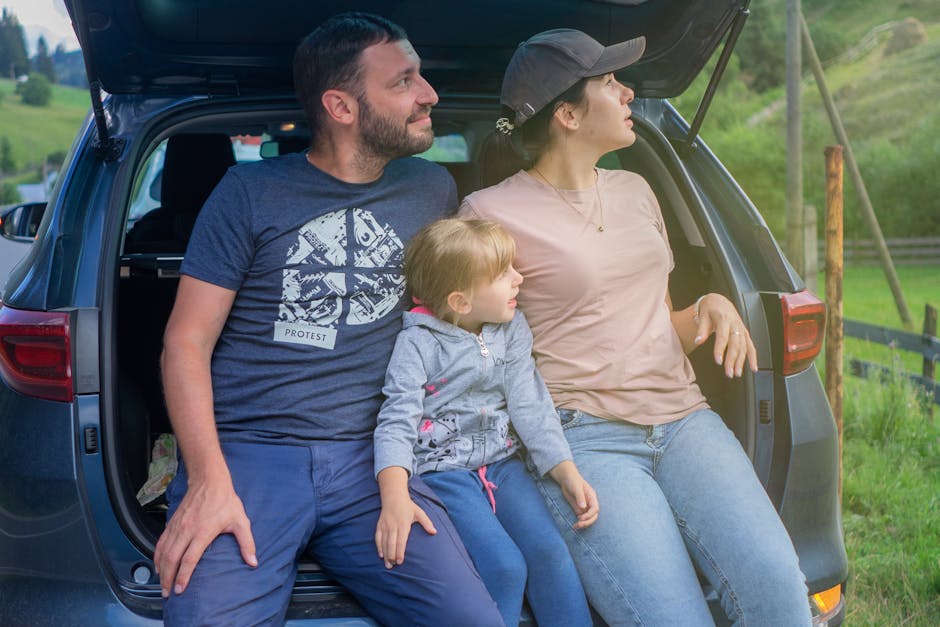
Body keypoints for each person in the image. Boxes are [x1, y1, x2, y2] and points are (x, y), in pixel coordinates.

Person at [154, 12, 503, 626]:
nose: (429, 95)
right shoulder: (248, 192)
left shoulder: (433, 191)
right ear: (341, 106)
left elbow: (474, 300)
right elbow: (185, 342)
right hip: (250, 455)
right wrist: (208, 481)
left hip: (375, 459)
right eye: (404, 82)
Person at [460, 28, 813, 627]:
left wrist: (708, 308)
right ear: (567, 114)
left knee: (782, 596)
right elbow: (475, 355)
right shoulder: (490, 215)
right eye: (609, 81)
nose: (628, 92)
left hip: (685, 422)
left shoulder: (636, 189)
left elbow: (651, 322)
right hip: (587, 442)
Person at [373, 218, 598, 627]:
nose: (519, 278)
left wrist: (564, 469)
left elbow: (529, 402)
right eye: (503, 274)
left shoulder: (511, 329)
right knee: (504, 566)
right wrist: (395, 490)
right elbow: (396, 418)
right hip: (445, 474)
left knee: (551, 554)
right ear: (460, 302)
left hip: (503, 466)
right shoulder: (418, 343)